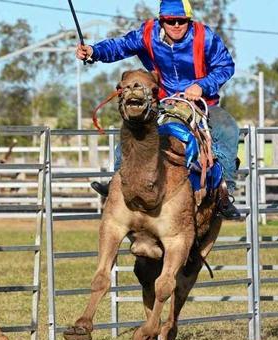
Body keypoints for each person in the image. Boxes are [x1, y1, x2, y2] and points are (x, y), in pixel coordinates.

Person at [76, 0, 240, 219]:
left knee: (229, 128)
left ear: (189, 21)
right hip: (164, 102)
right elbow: (119, 46)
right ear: (161, 21)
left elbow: (226, 66)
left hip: (204, 104)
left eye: (181, 21)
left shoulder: (205, 37)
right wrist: (94, 51)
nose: (176, 25)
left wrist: (201, 86)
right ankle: (117, 180)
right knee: (132, 130)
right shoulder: (147, 33)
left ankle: (224, 191)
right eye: (170, 21)